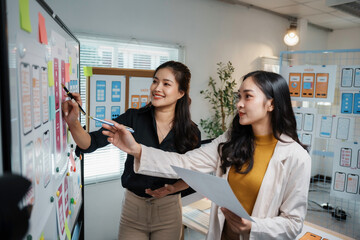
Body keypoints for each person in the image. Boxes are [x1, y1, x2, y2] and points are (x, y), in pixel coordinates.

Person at [102, 70, 312, 240]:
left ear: (271, 104)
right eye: (239, 96)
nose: (239, 103)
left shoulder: (296, 157)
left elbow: (293, 224)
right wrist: (136, 149)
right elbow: (185, 162)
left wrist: (252, 227)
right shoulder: (230, 139)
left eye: (248, 96)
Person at [62, 61, 201, 240]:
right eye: (155, 81)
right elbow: (90, 143)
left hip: (169, 210)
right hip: (133, 209)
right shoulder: (132, 118)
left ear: (181, 93)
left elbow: (194, 175)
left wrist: (172, 188)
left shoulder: (191, 132)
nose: (157, 88)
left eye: (166, 84)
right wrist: (73, 122)